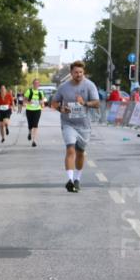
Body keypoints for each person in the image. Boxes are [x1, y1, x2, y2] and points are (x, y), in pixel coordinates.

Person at [50, 60, 100, 193]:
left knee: (80, 153)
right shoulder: (63, 87)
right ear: (71, 73)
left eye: (81, 72)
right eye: (76, 72)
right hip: (68, 124)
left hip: (84, 125)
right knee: (70, 150)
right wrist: (61, 109)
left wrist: (84, 103)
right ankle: (70, 180)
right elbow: (54, 103)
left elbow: (97, 103)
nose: (78, 74)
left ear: (84, 73)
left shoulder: (90, 85)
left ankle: (77, 178)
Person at [24, 78, 45, 146]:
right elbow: (24, 100)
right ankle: (29, 133)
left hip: (37, 110)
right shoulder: (29, 91)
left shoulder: (40, 93)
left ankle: (34, 141)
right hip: (29, 110)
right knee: (30, 125)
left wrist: (42, 104)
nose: (36, 84)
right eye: (35, 83)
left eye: (37, 83)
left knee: (35, 125)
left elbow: (42, 101)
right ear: (33, 84)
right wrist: (28, 102)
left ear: (39, 85)